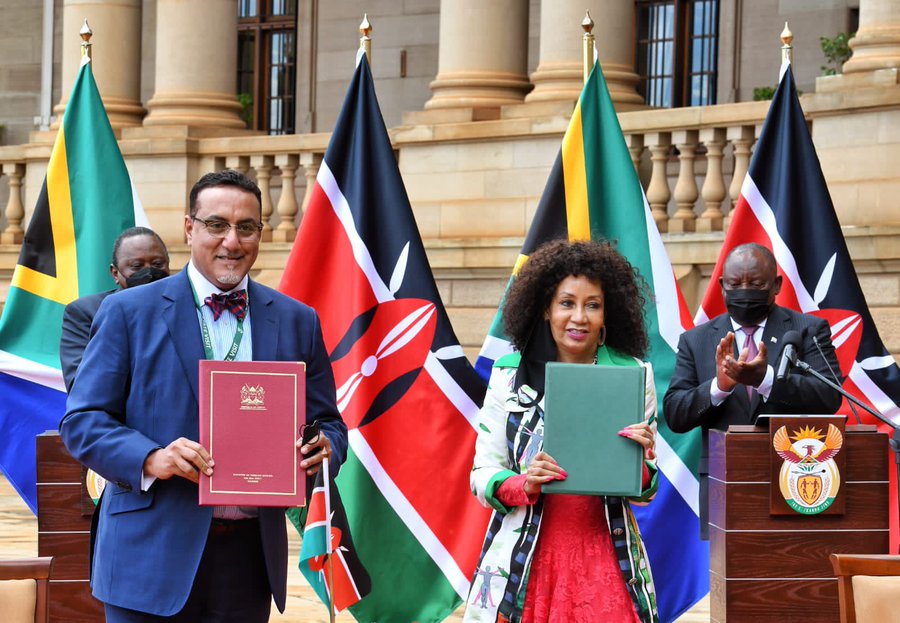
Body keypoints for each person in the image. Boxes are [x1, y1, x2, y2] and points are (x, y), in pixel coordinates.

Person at [60, 170, 348, 622]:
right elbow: (82, 421)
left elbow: (329, 422)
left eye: (246, 228)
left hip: (249, 562)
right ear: (189, 228)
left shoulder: (298, 320)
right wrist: (151, 457)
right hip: (148, 555)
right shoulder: (127, 312)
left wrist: (326, 445)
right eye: (217, 225)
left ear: (260, 234)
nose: (231, 241)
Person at [465, 239, 659, 623]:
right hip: (524, 558)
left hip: (608, 555)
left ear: (607, 314)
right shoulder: (508, 373)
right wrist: (524, 484)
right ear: (545, 309)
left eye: (593, 305)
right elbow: (481, 473)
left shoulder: (635, 375)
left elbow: (648, 488)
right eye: (567, 303)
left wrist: (640, 461)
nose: (579, 317)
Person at [664, 243, 842, 539]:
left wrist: (766, 379)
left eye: (756, 284)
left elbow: (830, 396)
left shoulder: (807, 330)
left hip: (796, 480)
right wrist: (719, 387)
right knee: (730, 582)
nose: (745, 290)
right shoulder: (696, 341)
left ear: (776, 285)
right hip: (724, 486)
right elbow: (675, 413)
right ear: (722, 286)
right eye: (735, 284)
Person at [60, 226, 170, 391]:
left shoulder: (186, 306)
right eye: (137, 266)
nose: (149, 272)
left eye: (157, 264)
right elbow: (81, 384)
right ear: (115, 273)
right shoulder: (86, 312)